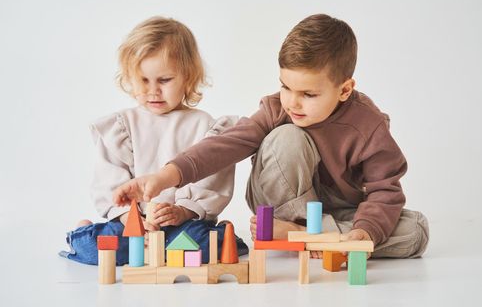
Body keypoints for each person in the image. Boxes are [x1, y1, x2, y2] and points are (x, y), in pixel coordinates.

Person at [113, 14, 429, 259]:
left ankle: (303, 236)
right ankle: (310, 234)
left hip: (336, 211)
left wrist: (365, 232)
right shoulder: (278, 109)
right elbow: (227, 145)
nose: (292, 101)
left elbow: (384, 191)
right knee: (287, 137)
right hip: (278, 203)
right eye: (285, 86)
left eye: (308, 94)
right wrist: (166, 176)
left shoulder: (368, 126)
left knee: (415, 231)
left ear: (344, 89)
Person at [60, 16, 248, 265]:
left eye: (164, 80)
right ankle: (83, 232)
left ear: (188, 77)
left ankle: (222, 233)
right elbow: (110, 183)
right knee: (96, 250)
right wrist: (133, 219)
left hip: (182, 225)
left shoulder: (204, 125)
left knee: (204, 248)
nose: (153, 90)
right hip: (133, 225)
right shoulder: (122, 127)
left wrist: (181, 211)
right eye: (144, 80)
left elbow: (212, 181)